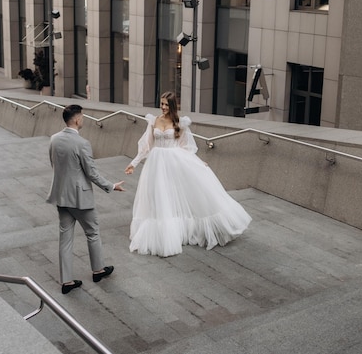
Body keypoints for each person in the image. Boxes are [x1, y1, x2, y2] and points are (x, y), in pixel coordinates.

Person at [125, 91, 252, 257]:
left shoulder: (180, 123)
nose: (163, 107)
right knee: (159, 197)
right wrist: (133, 163)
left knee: (176, 196)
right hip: (156, 164)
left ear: (172, 106)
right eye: (161, 103)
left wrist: (198, 162)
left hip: (175, 162)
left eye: (166, 104)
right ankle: (163, 234)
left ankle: (182, 230)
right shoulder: (153, 121)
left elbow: (187, 148)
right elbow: (146, 147)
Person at [47, 104, 125, 294]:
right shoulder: (82, 143)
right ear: (76, 119)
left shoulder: (54, 139)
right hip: (80, 198)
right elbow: (92, 173)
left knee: (65, 239)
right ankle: (98, 270)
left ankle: (66, 282)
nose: (83, 119)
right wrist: (111, 186)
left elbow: (54, 165)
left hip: (61, 196)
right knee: (92, 232)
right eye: (82, 116)